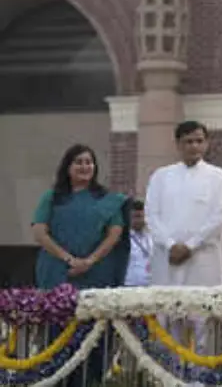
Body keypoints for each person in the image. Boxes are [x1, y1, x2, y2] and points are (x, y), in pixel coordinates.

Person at [31, 144, 130, 387]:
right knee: (57, 338)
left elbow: (115, 233)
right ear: (67, 167)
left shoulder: (108, 200)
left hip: (96, 274)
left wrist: (89, 261)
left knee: (93, 337)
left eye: (89, 162)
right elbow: (39, 231)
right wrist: (69, 259)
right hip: (58, 273)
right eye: (79, 162)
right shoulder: (52, 197)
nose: (85, 166)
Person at [145, 121, 222, 351]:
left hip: (202, 260)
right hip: (168, 258)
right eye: (188, 141)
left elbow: (218, 218)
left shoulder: (218, 176)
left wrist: (190, 246)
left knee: (204, 321)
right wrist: (171, 245)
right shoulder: (161, 176)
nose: (194, 146)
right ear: (178, 144)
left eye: (199, 141)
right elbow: (151, 216)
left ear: (206, 143)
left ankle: (202, 379)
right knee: (170, 322)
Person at [124, 199, 153, 287]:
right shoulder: (124, 239)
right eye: (136, 216)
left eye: (142, 216)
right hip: (130, 284)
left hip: (150, 284)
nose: (140, 220)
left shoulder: (151, 236)